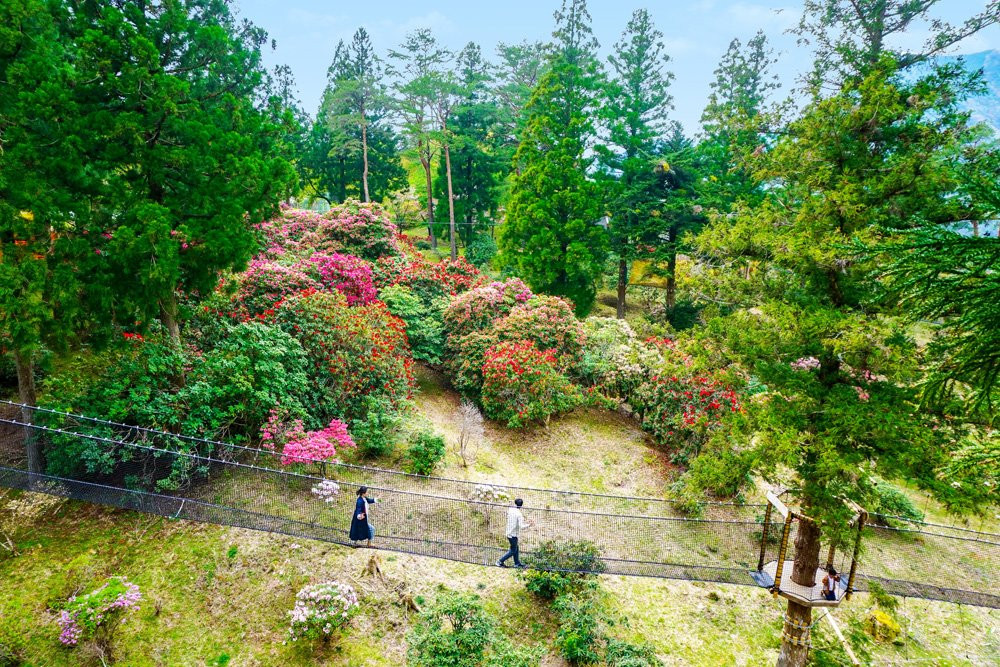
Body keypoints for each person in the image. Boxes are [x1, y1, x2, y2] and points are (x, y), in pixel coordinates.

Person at [497, 498, 531, 568]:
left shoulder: (511, 510)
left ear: (515, 503)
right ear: (521, 505)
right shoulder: (519, 515)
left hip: (508, 532)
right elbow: (521, 526)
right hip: (513, 534)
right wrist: (529, 525)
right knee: (513, 550)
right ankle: (500, 561)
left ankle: (517, 563)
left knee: (516, 547)